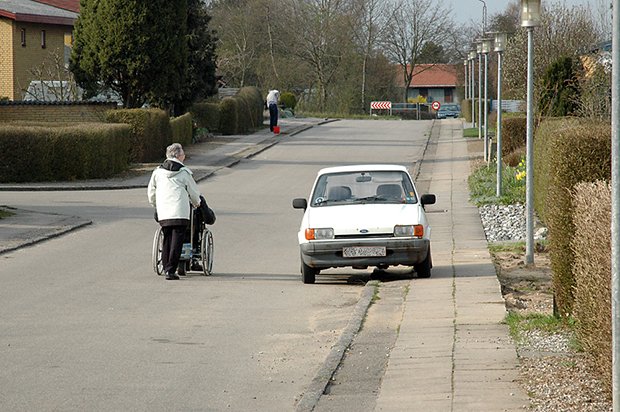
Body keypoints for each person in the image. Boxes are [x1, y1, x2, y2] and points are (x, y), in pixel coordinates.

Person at [147, 143, 202, 280]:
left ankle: (166, 267)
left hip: (164, 212)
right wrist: (197, 204)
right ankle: (171, 270)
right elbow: (194, 193)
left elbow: (151, 192)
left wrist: (155, 205)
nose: (184, 155)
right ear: (178, 155)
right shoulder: (184, 173)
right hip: (180, 212)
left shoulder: (157, 172)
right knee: (177, 241)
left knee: (167, 239)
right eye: (183, 153)